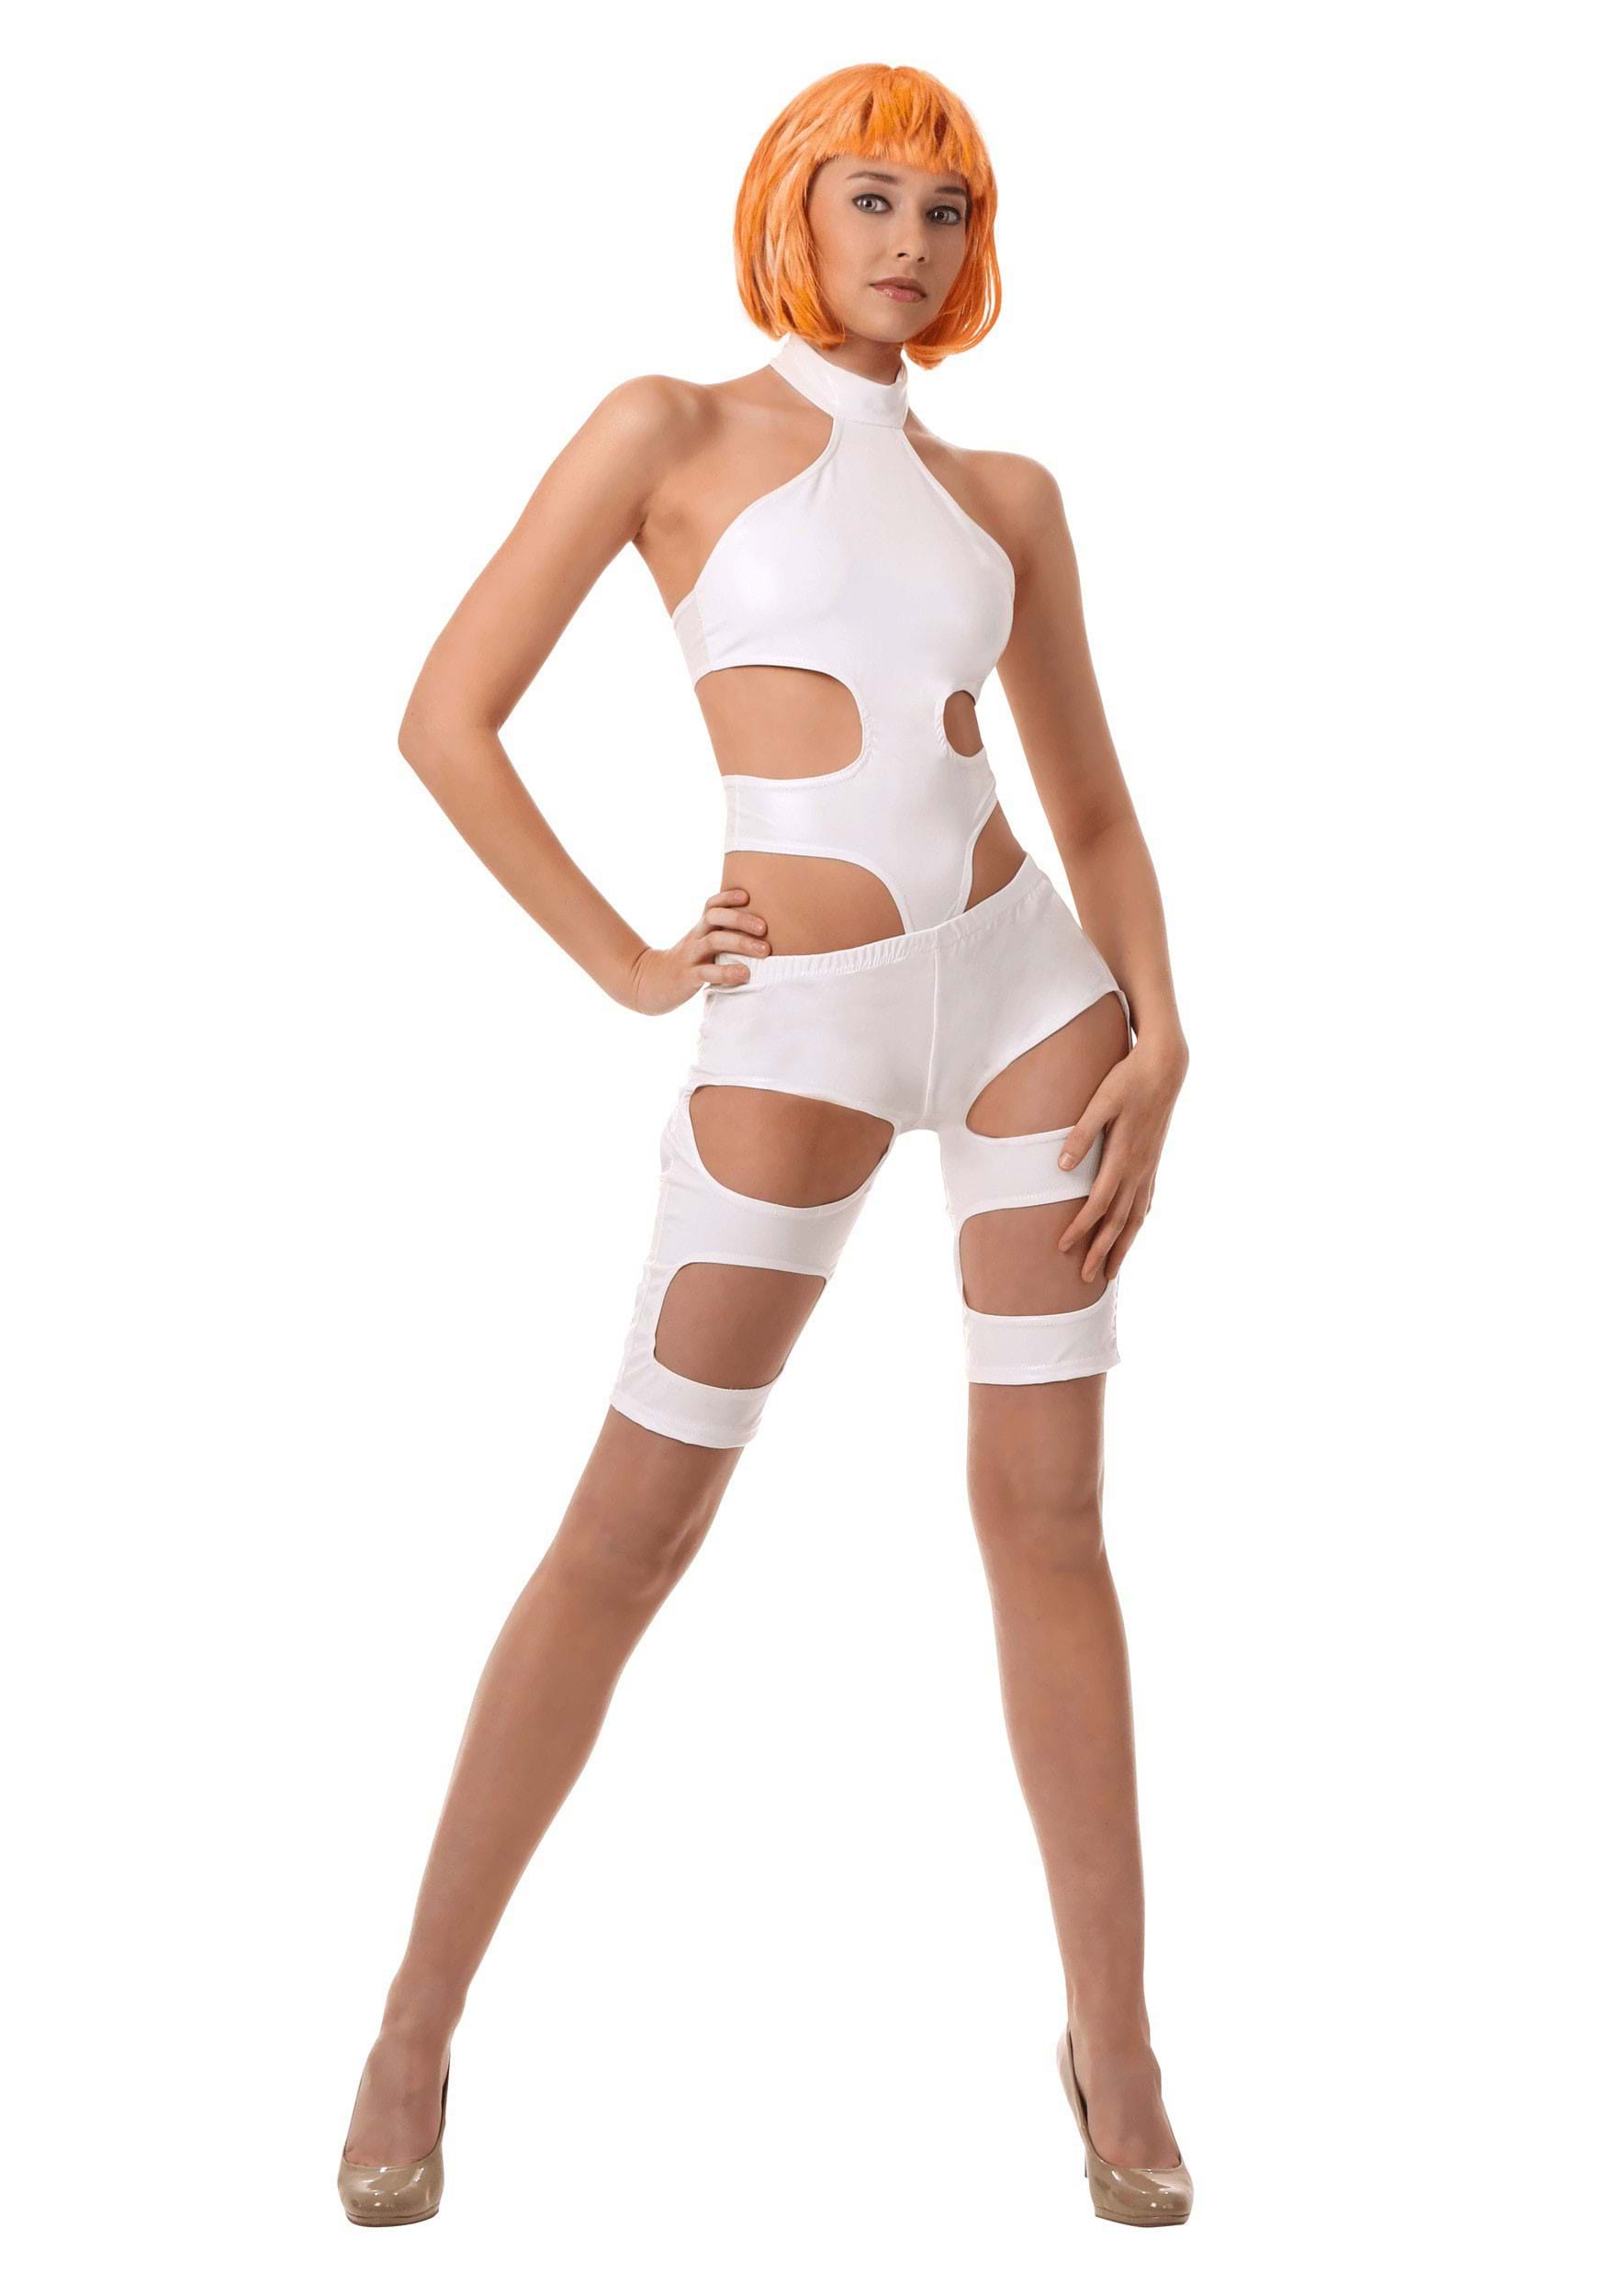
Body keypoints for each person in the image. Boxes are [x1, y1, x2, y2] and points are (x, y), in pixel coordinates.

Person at [339, 60, 1193, 2232]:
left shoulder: (1007, 495)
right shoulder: (664, 429)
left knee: (1048, 1518)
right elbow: (444, 716)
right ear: (792, 209)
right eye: (868, 198)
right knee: (629, 1527)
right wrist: (634, 962)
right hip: (794, 1018)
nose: (906, 243)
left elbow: (1089, 804)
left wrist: (1164, 1030)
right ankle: (414, 2021)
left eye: (944, 209)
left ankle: (1114, 2042)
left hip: (1028, 1004)